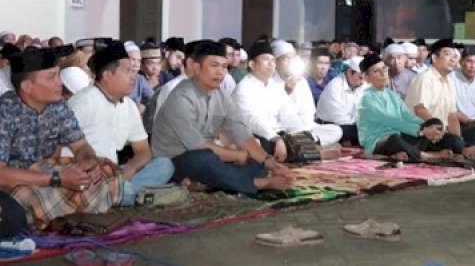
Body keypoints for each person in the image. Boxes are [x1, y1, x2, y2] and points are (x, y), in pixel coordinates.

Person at [0, 48, 123, 228]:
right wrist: (57, 179)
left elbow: (81, 146)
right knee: (19, 208)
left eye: (58, 75)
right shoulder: (5, 111)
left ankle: (58, 214)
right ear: (27, 87)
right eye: (51, 77)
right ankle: (64, 212)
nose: (59, 83)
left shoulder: (58, 107)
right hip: (16, 180)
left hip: (48, 174)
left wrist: (89, 163)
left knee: (105, 170)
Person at [151, 41, 294, 194]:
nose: (220, 72)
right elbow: (198, 145)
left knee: (257, 153)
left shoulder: (221, 95)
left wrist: (269, 163)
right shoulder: (181, 97)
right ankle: (257, 183)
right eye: (214, 66)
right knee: (204, 159)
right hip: (174, 160)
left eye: (224, 66)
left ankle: (215, 182)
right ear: (197, 67)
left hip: (211, 154)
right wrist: (237, 155)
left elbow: (240, 132)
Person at [66, 41, 174, 206]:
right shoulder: (84, 101)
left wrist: (129, 170)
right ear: (108, 75)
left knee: (165, 165)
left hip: (116, 175)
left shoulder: (129, 106)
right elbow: (61, 152)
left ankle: (123, 194)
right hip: (86, 176)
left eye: (133, 71)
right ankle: (127, 195)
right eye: (127, 71)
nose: (134, 76)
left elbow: (143, 150)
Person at [357, 54, 461, 162]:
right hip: (378, 141)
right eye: (376, 71)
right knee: (394, 139)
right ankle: (427, 156)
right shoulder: (366, 98)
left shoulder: (391, 94)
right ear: (366, 78)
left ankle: (406, 154)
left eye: (384, 68)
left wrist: (426, 126)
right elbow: (391, 121)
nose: (383, 73)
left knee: (446, 137)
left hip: (400, 135)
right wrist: (421, 130)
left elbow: (407, 116)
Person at [232, 41, 288, 161]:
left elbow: (288, 113)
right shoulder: (244, 87)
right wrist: (276, 138)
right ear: (252, 64)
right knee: (258, 144)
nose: (271, 64)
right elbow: (253, 120)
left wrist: (303, 133)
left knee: (306, 137)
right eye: (265, 59)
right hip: (256, 134)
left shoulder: (275, 86)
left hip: (276, 133)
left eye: (273, 60)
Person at [316, 56, 367, 145]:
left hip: (353, 125)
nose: (362, 82)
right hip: (332, 126)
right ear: (350, 72)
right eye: (360, 78)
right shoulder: (334, 87)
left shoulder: (362, 85)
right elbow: (340, 119)